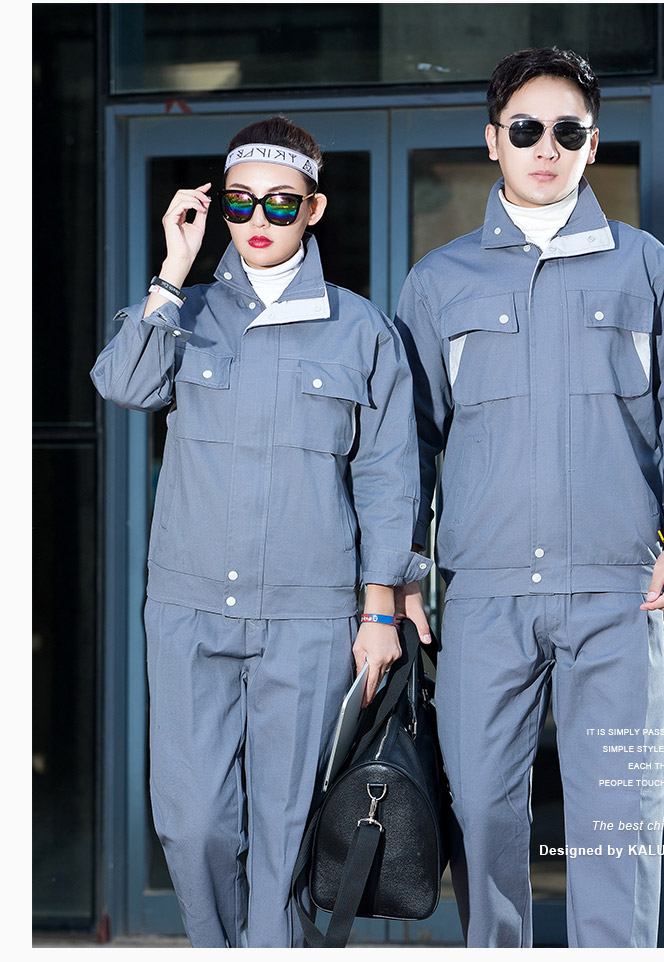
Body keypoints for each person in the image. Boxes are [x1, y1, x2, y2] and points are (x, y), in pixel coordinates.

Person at [393, 47, 664, 948]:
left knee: (617, 824)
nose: (545, 147)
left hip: (618, 590)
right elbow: (410, 444)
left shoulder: (645, 268)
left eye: (566, 130)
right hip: (485, 596)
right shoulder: (439, 282)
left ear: (592, 143)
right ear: (493, 141)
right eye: (526, 129)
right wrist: (402, 572)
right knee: (480, 810)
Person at [91, 116, 430, 948]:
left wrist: (379, 611)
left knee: (287, 837)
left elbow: (388, 478)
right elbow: (124, 385)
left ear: (313, 209)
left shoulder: (361, 329)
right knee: (193, 823)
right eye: (239, 202)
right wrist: (172, 268)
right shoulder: (185, 311)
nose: (257, 220)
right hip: (190, 610)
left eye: (280, 203)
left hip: (310, 619)